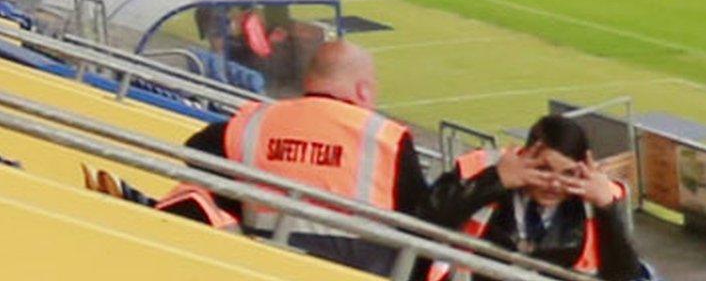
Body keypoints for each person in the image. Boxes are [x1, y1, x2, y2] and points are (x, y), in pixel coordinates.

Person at [158, 40, 435, 271]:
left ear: (308, 80)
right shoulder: (386, 138)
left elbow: (196, 152)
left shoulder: (256, 121)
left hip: (262, 263)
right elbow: (421, 218)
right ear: (363, 90)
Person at [425, 115, 645, 281]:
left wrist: (605, 208)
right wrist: (494, 181)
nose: (555, 184)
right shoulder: (482, 169)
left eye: (568, 174)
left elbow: (625, 275)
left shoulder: (599, 197)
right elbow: (424, 218)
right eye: (544, 169)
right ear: (524, 155)